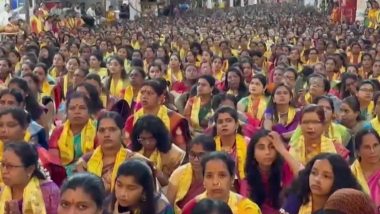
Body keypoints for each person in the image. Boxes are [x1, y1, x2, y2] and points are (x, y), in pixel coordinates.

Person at [76, 112, 144, 192]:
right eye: (102, 130)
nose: (106, 134)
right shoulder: (86, 161)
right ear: (96, 134)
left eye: (112, 129)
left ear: (122, 133)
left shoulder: (132, 159)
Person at [182, 151, 261, 214]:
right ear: (203, 180)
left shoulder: (248, 209)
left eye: (222, 175)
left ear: (232, 178)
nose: (215, 182)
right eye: (209, 176)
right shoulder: (191, 208)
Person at [280, 153, 362, 214]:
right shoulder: (296, 198)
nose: (317, 179)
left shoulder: (345, 208)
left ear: (338, 180)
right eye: (314, 173)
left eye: (326, 176)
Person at [244, 130, 302, 213]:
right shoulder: (248, 177)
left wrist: (282, 150)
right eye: (261, 147)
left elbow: (304, 177)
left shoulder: (284, 168)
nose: (267, 152)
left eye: (272, 147)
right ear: (253, 153)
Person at [124, 79, 190, 150]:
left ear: (160, 98)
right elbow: (129, 146)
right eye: (142, 93)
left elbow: (181, 149)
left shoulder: (175, 119)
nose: (144, 96)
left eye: (149, 93)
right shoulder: (132, 119)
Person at [0, 142, 60, 213]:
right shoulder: (2, 190)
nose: (4, 171)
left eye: (10, 166)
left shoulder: (49, 192)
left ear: (30, 169)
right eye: (3, 165)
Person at [49, 92, 97, 177]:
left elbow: (102, 151)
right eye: (72, 108)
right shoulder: (58, 132)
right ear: (67, 112)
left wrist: (85, 157)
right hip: (62, 175)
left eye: (82, 108)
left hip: (90, 173)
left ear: (89, 112)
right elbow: (54, 161)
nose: (77, 112)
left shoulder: (97, 129)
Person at [130, 115, 185, 187]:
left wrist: (155, 171)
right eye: (143, 139)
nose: (147, 143)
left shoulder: (175, 154)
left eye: (151, 138)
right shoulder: (132, 151)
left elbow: (174, 185)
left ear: (160, 136)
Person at [166, 135, 216, 213]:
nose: (196, 160)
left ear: (212, 155)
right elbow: (168, 206)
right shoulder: (179, 173)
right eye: (192, 154)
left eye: (201, 155)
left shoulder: (219, 175)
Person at [107, 159, 174, 214]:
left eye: (131, 188)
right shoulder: (108, 204)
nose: (122, 194)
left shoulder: (161, 207)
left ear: (145, 191)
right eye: (119, 185)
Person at [212, 106, 248, 193]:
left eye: (228, 120)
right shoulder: (211, 145)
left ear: (236, 124)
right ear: (216, 126)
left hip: (245, 187)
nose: (224, 124)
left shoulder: (248, 144)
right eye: (220, 122)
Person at [350, 128, 380, 208]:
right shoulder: (351, 175)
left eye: (375, 145)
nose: (372, 151)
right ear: (358, 152)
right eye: (367, 147)